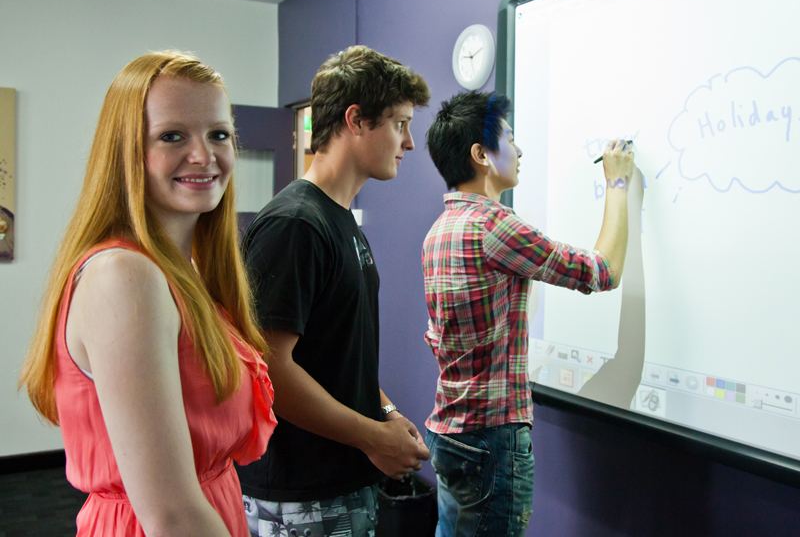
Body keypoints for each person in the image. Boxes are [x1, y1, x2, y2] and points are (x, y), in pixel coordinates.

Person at [19, 51, 277, 537]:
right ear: (126, 151)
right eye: (172, 135)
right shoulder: (125, 277)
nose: (204, 154)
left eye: (219, 134)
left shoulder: (182, 271)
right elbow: (172, 517)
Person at [422, 91, 638, 537]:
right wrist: (618, 185)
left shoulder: (438, 232)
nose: (520, 151)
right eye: (510, 139)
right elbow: (604, 271)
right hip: (491, 441)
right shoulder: (495, 225)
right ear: (480, 155)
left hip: (450, 433)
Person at [236, 45, 431, 537]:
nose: (408, 142)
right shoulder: (296, 224)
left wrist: (385, 412)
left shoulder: (337, 220)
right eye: (399, 123)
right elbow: (269, 371)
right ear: (356, 120)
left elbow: (336, 355)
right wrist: (374, 437)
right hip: (300, 497)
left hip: (339, 485)